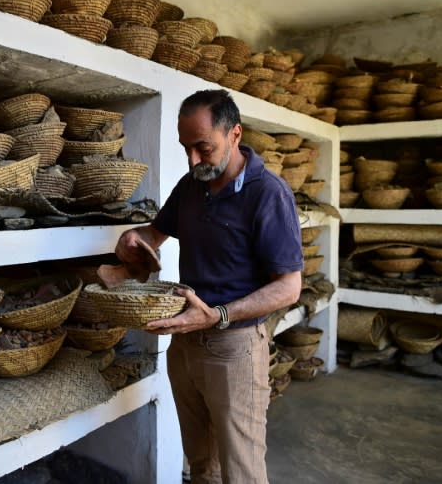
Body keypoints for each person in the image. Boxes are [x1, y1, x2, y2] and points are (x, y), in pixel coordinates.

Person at [115, 89, 303, 484]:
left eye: (203, 147)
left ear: (235, 134)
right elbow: (156, 233)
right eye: (186, 148)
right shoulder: (192, 186)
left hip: (234, 348)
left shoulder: (268, 194)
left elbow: (288, 288)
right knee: (202, 466)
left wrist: (218, 315)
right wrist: (135, 240)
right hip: (185, 342)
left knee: (242, 472)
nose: (193, 159)